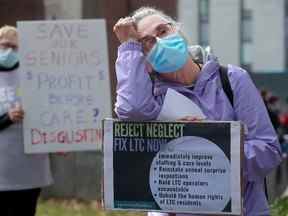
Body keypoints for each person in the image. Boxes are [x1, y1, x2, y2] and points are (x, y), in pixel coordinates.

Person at [113, 7, 282, 216]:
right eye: (148, 43)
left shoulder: (232, 80)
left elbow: (269, 150)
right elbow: (130, 109)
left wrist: (211, 149)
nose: (160, 42)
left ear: (178, 31)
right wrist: (129, 47)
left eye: (163, 31)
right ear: (144, 63)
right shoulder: (152, 100)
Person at [0, 25, 53, 216]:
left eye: (14, 47)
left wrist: (61, 138)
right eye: (4, 46)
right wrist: (7, 118)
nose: (8, 52)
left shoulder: (36, 76)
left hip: (30, 170)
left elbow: (51, 113)